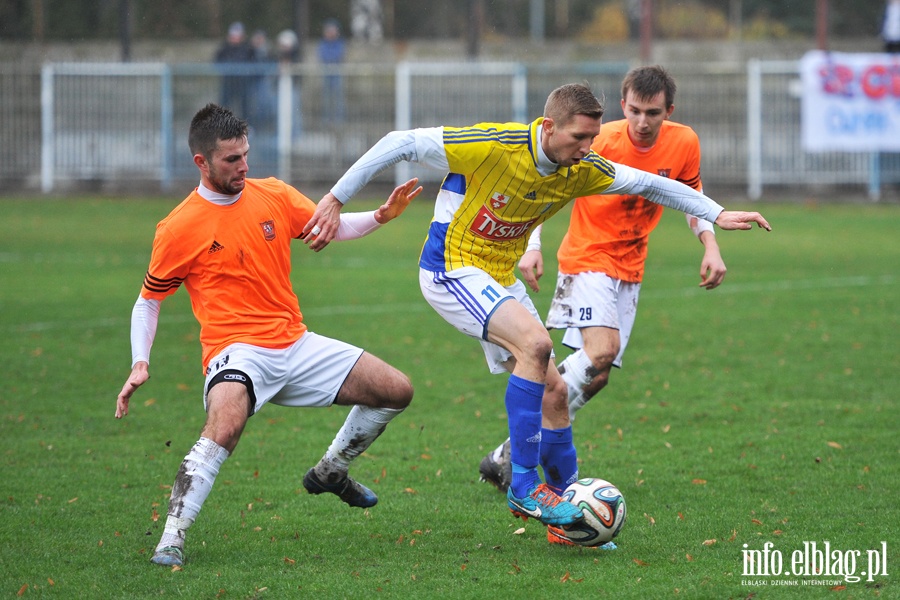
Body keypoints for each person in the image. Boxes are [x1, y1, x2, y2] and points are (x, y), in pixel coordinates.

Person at [303, 83, 771, 532]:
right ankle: (524, 485)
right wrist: (333, 199)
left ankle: (568, 503)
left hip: (498, 276)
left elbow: (650, 185)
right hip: (451, 268)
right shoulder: (495, 145)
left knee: (555, 394)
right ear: (549, 126)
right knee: (536, 343)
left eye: (593, 136)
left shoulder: (584, 168)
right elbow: (398, 142)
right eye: (580, 137)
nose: (589, 147)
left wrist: (715, 214)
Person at [114, 103, 422, 567]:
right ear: (202, 162)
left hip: (295, 343)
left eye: (245, 154)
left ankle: (331, 471)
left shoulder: (272, 194)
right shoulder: (178, 227)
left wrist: (380, 216)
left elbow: (330, 227)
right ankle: (171, 538)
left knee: (396, 390)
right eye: (231, 160)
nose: (244, 166)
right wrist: (141, 362)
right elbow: (148, 300)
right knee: (225, 427)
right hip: (236, 351)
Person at [477, 66, 726, 545]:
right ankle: (534, 467)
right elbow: (539, 185)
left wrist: (710, 245)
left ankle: (511, 452)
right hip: (587, 258)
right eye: (634, 110)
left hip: (631, 267)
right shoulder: (601, 139)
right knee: (601, 351)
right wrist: (533, 244)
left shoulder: (684, 143)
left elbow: (691, 198)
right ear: (623, 104)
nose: (642, 121)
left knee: (600, 372)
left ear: (668, 111)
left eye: (653, 113)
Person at [213, 22, 256, 119]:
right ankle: (223, 126)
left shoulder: (247, 48)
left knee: (245, 107)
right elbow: (217, 61)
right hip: (228, 82)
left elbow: (253, 62)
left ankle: (246, 127)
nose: (235, 38)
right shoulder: (224, 48)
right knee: (224, 106)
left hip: (243, 83)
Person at [318, 19, 346, 124]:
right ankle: (326, 118)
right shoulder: (322, 44)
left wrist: (331, 62)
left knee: (338, 97)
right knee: (326, 98)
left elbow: (339, 55)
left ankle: (339, 119)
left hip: (336, 73)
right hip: (326, 73)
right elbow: (323, 56)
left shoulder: (340, 43)